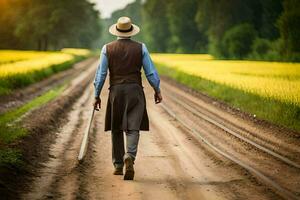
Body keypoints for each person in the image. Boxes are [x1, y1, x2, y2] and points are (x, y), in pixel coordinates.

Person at [93, 16, 162, 180]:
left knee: (116, 127)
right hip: (135, 91)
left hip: (116, 91)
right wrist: (157, 89)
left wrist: (96, 95)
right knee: (133, 127)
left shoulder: (106, 48)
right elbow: (150, 73)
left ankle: (118, 165)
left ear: (116, 31)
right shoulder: (141, 48)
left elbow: (101, 74)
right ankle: (129, 156)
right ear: (131, 31)